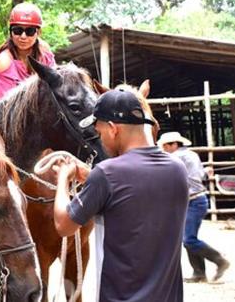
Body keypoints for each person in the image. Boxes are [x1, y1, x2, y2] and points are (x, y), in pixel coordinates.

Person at [53, 89, 188, 302]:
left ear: (113, 128)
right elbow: (135, 189)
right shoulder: (178, 169)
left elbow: (63, 225)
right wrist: (91, 177)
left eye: (100, 133)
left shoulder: (106, 174)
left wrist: (62, 179)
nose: (101, 140)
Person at [159, 131, 229, 283]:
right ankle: (199, 273)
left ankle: (219, 260)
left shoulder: (175, 157)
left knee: (189, 240)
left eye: (165, 146)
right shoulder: (192, 155)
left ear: (174, 145)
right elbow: (200, 175)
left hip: (194, 201)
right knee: (189, 238)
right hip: (196, 200)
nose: (163, 149)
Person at [0, 3, 55, 109]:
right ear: (11, 32)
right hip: (4, 111)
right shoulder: (4, 61)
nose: (23, 36)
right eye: (17, 30)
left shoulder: (44, 54)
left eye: (30, 31)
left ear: (38, 32)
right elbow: (4, 106)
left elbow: (55, 86)